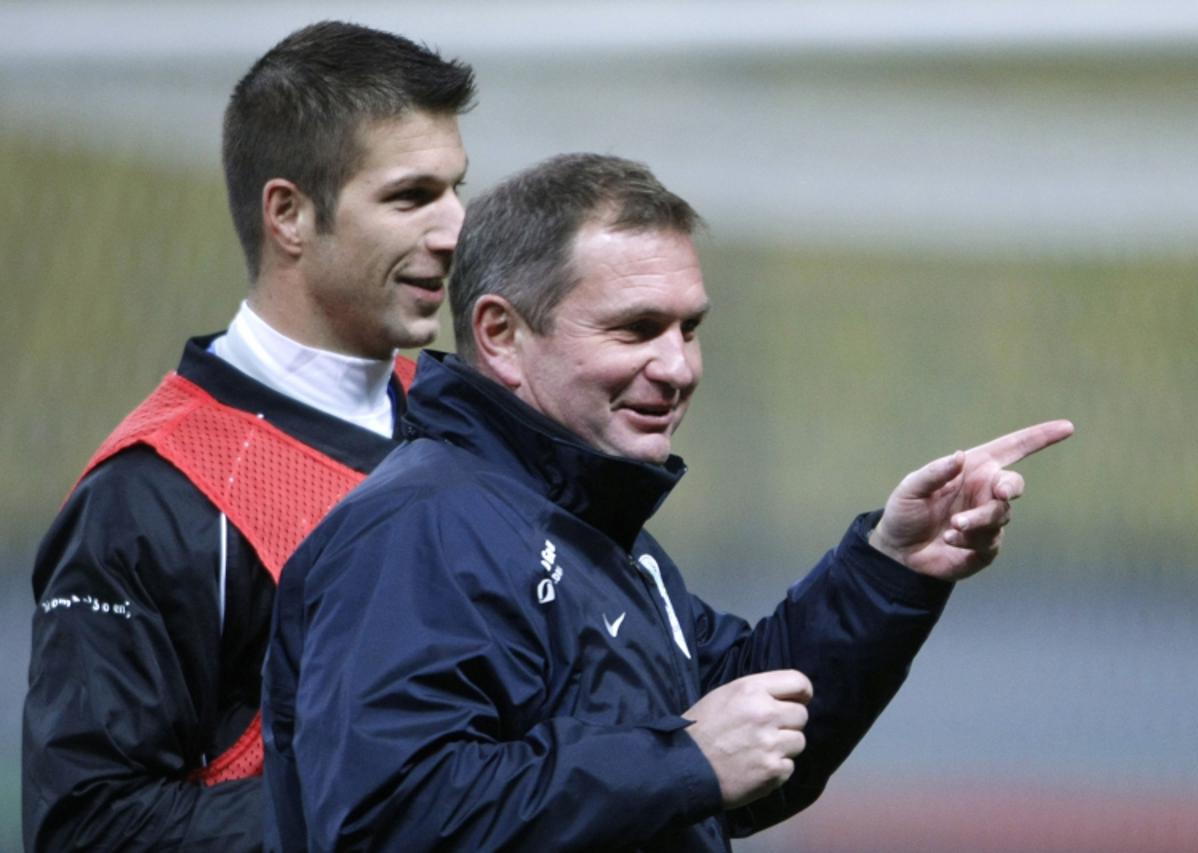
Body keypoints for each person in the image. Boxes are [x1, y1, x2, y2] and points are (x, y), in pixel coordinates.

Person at [261, 153, 1075, 851]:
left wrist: (889, 568)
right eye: (637, 327)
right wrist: (682, 760)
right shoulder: (421, 529)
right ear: (502, 335)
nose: (678, 366)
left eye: (689, 328)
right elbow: (389, 819)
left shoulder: (596, 532)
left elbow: (743, 736)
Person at [22, 21, 474, 851]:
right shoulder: (152, 495)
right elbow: (88, 825)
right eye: (412, 197)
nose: (454, 230)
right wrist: (419, 808)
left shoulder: (469, 419)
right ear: (289, 214)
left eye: (455, 190)